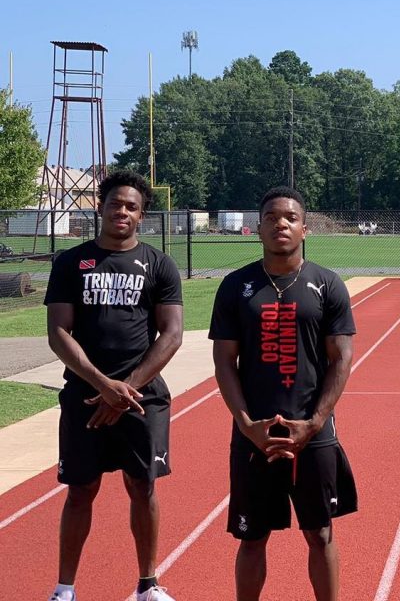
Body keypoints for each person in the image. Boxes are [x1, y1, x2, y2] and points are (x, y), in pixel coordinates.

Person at [210, 186, 358, 601]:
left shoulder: (328, 284)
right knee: (251, 538)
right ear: (258, 229)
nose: (281, 224)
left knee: (321, 533)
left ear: (305, 228)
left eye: (290, 217)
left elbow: (341, 359)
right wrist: (246, 425)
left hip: (313, 434)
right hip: (255, 433)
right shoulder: (235, 286)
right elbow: (225, 362)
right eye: (272, 217)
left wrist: (313, 423)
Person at [44, 170, 184, 601]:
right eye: (115, 203)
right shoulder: (71, 262)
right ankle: (65, 589)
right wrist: (103, 385)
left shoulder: (159, 264)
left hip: (142, 399)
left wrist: (126, 391)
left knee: (143, 487)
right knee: (81, 490)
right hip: (85, 394)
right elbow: (58, 333)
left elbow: (172, 333)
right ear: (99, 207)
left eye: (131, 206)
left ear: (142, 215)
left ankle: (148, 585)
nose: (121, 211)